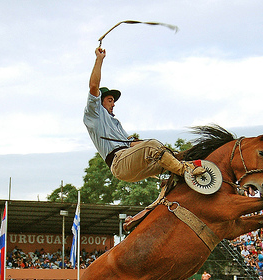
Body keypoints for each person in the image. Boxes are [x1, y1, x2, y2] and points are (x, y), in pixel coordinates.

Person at [83, 47, 205, 183]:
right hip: (119, 163)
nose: (113, 104)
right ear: (99, 102)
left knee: (171, 157)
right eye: (110, 100)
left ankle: (191, 178)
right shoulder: (94, 114)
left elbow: (132, 144)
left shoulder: (115, 123)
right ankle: (186, 171)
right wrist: (99, 59)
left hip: (131, 166)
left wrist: (164, 151)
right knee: (152, 144)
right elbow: (94, 85)